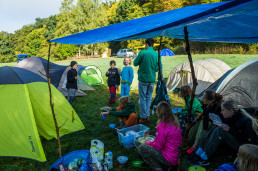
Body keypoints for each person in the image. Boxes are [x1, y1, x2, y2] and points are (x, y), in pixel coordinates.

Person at [189, 100, 258, 166]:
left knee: (220, 131)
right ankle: (199, 152)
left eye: (223, 110)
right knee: (217, 127)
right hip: (237, 142)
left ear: (230, 111)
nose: (221, 112)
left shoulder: (245, 122)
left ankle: (205, 158)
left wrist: (230, 130)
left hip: (244, 147)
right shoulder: (231, 116)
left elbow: (248, 142)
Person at [137, 101, 182, 171]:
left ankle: (157, 167)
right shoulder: (175, 122)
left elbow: (158, 146)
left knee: (142, 148)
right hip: (176, 158)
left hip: (168, 159)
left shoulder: (162, 126)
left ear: (159, 112)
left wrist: (147, 143)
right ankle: (168, 166)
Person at [133, 38, 159, 123]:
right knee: (148, 98)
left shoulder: (142, 53)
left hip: (143, 79)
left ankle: (143, 117)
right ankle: (147, 115)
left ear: (147, 44)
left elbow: (135, 63)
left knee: (143, 98)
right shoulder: (156, 54)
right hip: (151, 79)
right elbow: (158, 67)